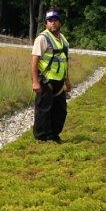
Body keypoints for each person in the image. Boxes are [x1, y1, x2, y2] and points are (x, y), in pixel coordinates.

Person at [31, 9, 72, 143]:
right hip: (46, 81)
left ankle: (54, 135)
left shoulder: (63, 40)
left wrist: (67, 80)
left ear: (60, 23)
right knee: (44, 110)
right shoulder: (42, 39)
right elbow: (34, 61)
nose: (53, 23)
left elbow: (64, 61)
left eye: (55, 20)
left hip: (59, 82)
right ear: (46, 24)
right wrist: (35, 82)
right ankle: (41, 138)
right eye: (50, 21)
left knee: (60, 111)